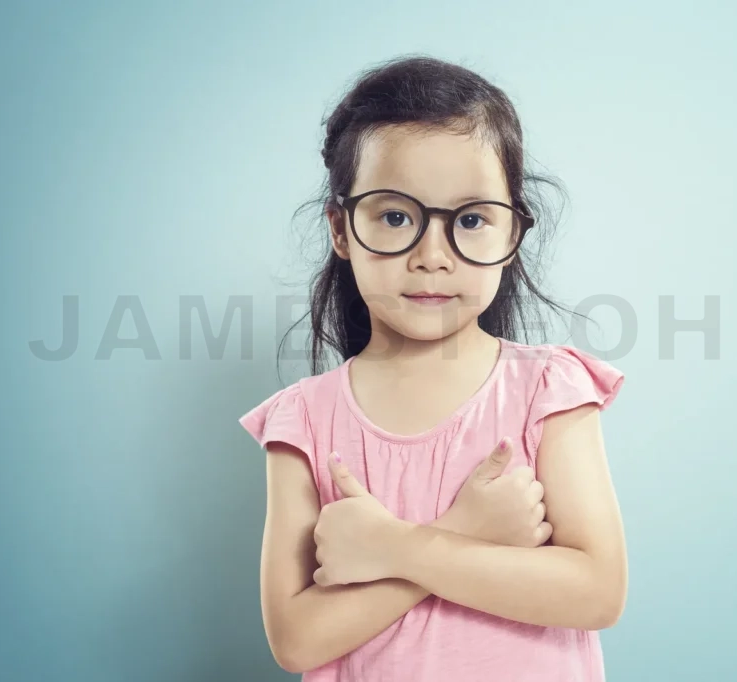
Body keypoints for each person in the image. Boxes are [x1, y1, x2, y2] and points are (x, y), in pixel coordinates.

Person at [239, 55, 627, 682]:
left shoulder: (548, 390)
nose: (432, 256)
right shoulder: (304, 419)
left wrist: (394, 548)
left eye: (470, 220)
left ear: (513, 232)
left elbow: (597, 591)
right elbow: (296, 641)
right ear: (341, 228)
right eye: (395, 216)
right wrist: (466, 530)